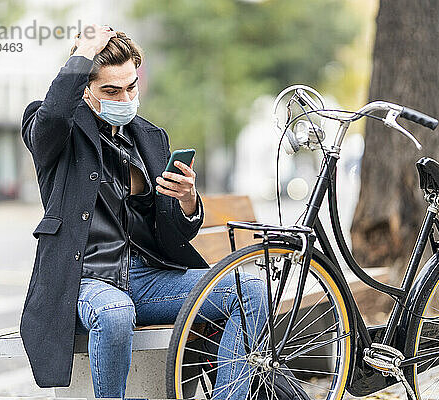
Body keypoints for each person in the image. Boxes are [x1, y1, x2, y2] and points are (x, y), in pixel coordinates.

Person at [19, 24, 267, 399]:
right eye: (111, 90)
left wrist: (186, 200)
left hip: (148, 278)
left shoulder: (150, 138)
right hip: (86, 276)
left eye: (131, 86)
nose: (125, 97)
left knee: (252, 290)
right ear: (85, 90)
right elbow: (54, 115)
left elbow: (173, 231)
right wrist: (82, 52)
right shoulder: (56, 130)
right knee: (114, 313)